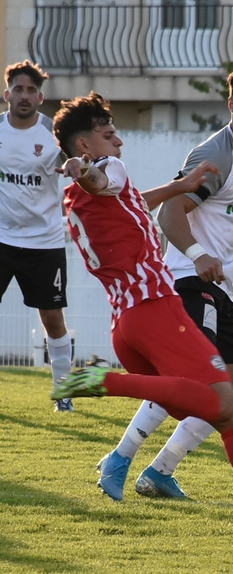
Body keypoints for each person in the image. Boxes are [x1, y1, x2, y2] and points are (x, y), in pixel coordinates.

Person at [49, 91, 233, 534]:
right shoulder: (106, 170)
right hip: (159, 311)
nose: (119, 143)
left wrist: (180, 187)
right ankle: (104, 381)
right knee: (226, 405)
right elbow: (102, 178)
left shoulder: (76, 197)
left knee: (225, 407)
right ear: (85, 146)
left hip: (126, 326)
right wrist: (84, 168)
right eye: (109, 135)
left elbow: (122, 197)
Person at [0, 60, 74, 412]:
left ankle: (64, 394)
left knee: (53, 318)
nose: (24, 96)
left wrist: (78, 164)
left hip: (44, 242)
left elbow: (83, 163)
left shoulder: (53, 135)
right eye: (18, 89)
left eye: (31, 90)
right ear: (6, 94)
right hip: (1, 239)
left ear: (40, 97)